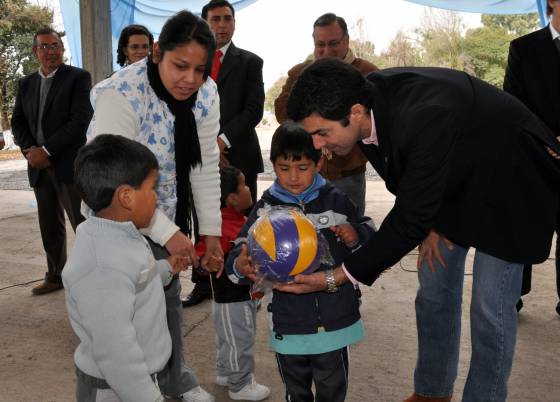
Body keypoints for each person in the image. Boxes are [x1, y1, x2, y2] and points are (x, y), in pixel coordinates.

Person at [282, 59, 560, 402]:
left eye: (322, 133)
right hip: (459, 179)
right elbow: (405, 174)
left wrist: (340, 275)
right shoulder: (367, 105)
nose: (318, 146)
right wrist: (429, 220)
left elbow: (408, 218)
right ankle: (433, 392)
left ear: (354, 113)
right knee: (434, 285)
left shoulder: (424, 114)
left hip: (514, 186)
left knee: (490, 308)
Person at [87, 11, 222, 402]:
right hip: (114, 215)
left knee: (165, 303)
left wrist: (209, 232)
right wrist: (171, 235)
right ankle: (128, 388)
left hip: (162, 213)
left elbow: (205, 164)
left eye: (200, 69)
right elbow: (114, 181)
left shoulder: (207, 93)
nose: (190, 80)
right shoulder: (123, 94)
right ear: (157, 53)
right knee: (124, 314)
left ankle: (174, 378)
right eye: (181, 66)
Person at [226, 122, 376, 402]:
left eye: (302, 168)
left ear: (319, 164)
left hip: (334, 319)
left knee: (332, 389)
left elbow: (371, 241)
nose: (293, 177)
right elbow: (239, 247)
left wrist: (355, 236)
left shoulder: (336, 200)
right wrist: (240, 264)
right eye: (284, 168)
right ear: (273, 165)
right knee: (296, 390)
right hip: (288, 320)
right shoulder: (266, 208)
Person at [63, 134, 189, 402]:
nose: (156, 198)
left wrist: (165, 268)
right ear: (126, 197)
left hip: (137, 380)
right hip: (116, 389)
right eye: (152, 188)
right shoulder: (101, 266)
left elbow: (133, 278)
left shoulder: (120, 234)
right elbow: (116, 352)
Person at [182, 0, 266, 307]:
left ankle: (250, 280)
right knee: (204, 220)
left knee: (245, 223)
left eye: (227, 18)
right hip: (200, 158)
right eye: (215, 19)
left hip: (239, 152)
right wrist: (204, 147)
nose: (221, 24)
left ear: (234, 23)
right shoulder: (189, 63)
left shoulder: (250, 62)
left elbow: (254, 110)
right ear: (204, 23)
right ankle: (204, 283)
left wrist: (221, 142)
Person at [11, 27, 93, 295]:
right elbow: (18, 122)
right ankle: (56, 276)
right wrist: (29, 150)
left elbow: (79, 122)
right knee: (49, 225)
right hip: (38, 166)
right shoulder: (25, 84)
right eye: (44, 47)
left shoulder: (78, 78)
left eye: (55, 46)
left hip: (68, 164)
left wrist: (46, 151)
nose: (51, 52)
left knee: (82, 225)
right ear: (35, 51)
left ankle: (91, 279)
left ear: (62, 49)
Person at [274, 13, 378, 216]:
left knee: (351, 228)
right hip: (307, 172)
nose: (326, 51)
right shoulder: (299, 73)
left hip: (349, 173)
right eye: (320, 44)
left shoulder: (368, 72)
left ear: (346, 41)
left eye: (333, 43)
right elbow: (281, 113)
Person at [194, 166, 270, 401]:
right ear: (232, 198)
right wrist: (207, 263)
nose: (249, 189)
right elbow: (200, 254)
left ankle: (226, 373)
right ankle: (241, 384)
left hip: (228, 300)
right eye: (244, 184)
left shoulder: (235, 222)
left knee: (228, 339)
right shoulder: (223, 229)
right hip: (234, 299)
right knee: (241, 341)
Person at [504, 0, 560, 315]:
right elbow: (513, 105)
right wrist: (548, 140)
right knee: (524, 226)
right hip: (536, 158)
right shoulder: (523, 49)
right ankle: (513, 294)